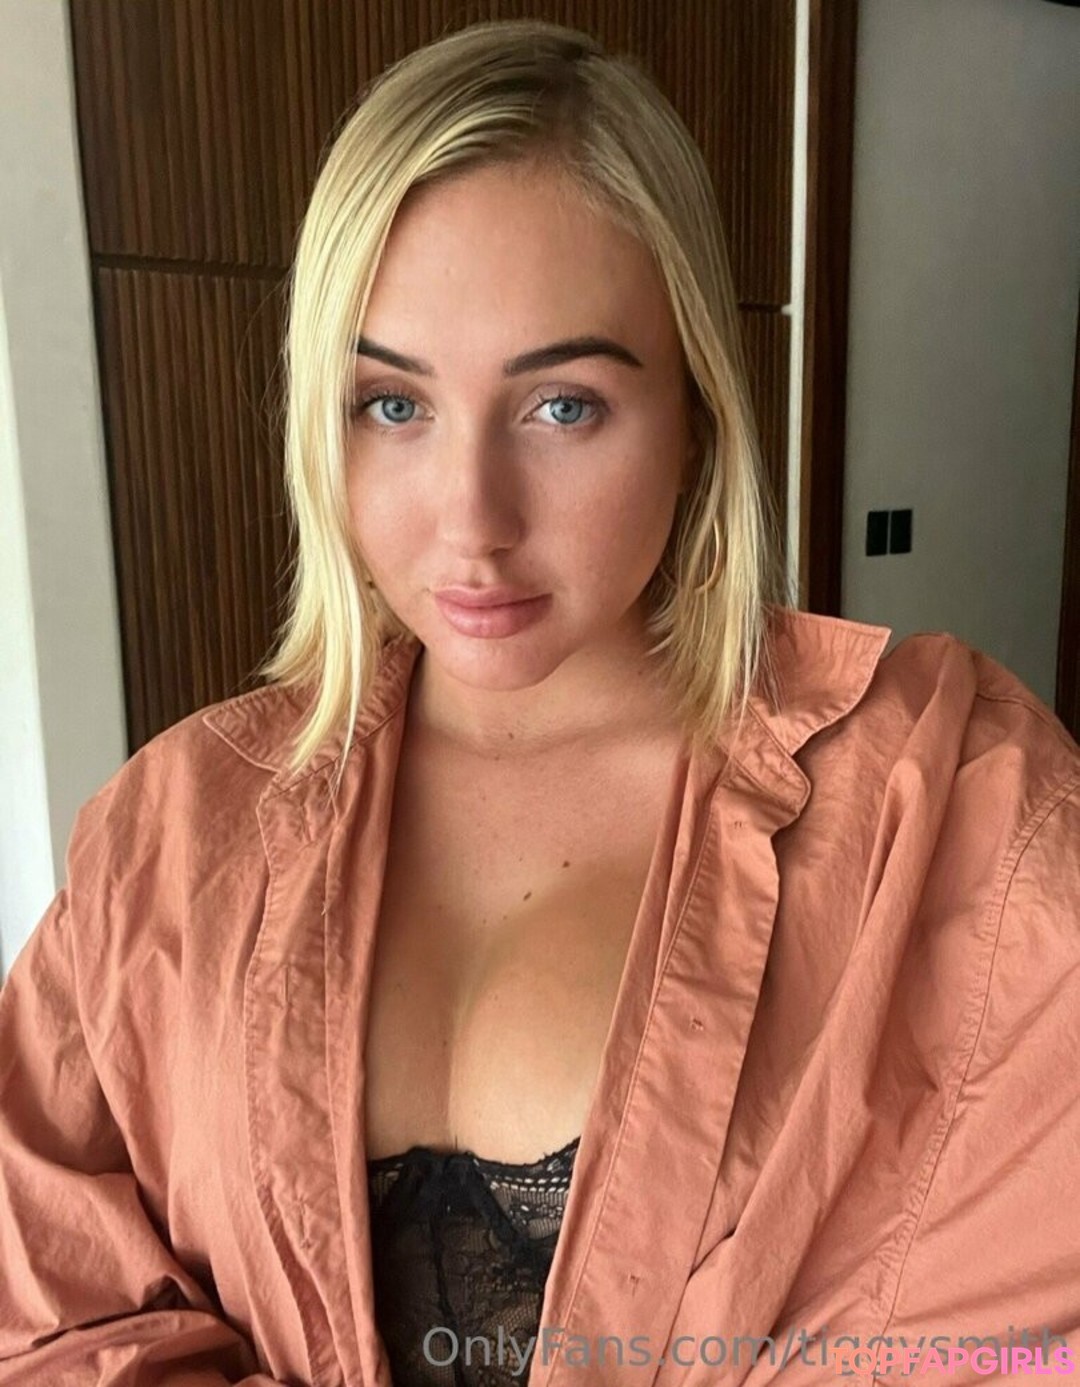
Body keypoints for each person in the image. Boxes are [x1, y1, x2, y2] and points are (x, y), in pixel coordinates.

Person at [1, 17, 1078, 1387]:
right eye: (393, 406)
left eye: (562, 406)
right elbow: (44, 1301)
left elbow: (1029, 1333)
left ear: (695, 413)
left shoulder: (951, 807)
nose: (472, 521)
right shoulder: (173, 827)